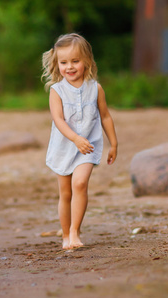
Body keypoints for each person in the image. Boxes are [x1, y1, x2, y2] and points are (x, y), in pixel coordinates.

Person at [41, 33, 118, 250]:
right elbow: (58, 120)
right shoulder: (57, 91)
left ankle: (75, 231)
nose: (70, 67)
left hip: (88, 146)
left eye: (75, 61)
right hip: (64, 146)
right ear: (57, 64)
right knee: (65, 193)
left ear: (87, 62)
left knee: (80, 184)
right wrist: (75, 138)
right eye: (64, 62)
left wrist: (114, 143)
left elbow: (105, 116)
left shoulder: (96, 88)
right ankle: (65, 235)